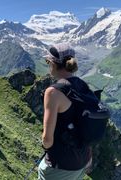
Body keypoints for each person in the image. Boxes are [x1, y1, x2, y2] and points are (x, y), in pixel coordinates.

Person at [37, 43, 92, 180]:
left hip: (60, 165)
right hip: (82, 161)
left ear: (53, 63)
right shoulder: (82, 85)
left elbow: (47, 140)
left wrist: (45, 145)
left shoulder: (53, 92)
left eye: (47, 61)